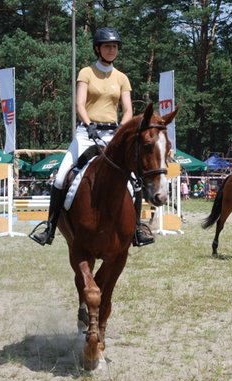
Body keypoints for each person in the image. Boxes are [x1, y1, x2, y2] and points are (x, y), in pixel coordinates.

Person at [30, 28, 153, 247]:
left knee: (134, 181)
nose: (111, 49)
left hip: (113, 134)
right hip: (87, 133)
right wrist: (89, 125)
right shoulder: (86, 72)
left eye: (114, 46)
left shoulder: (122, 77)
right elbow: (79, 104)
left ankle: (137, 229)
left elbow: (127, 110)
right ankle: (49, 227)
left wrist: (121, 130)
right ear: (98, 49)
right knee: (60, 177)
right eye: (107, 46)